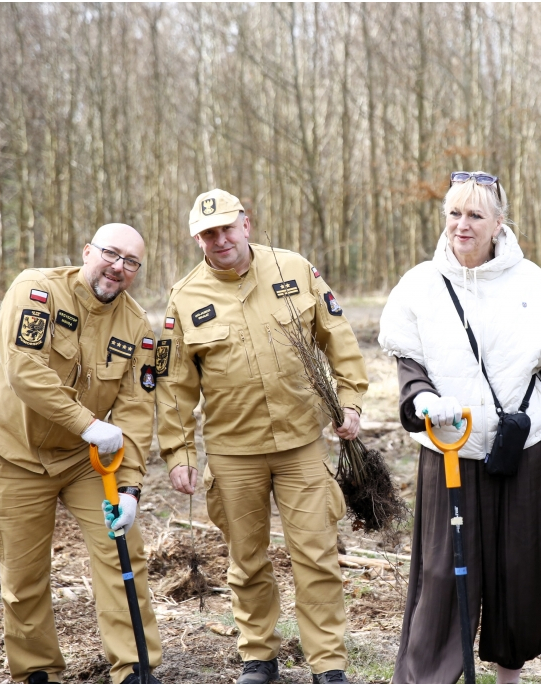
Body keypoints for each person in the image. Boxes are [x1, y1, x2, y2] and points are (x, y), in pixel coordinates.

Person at [378, 171, 541, 684]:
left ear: (499, 223)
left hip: (525, 449)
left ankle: (509, 678)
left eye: (475, 215)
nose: (462, 224)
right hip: (450, 448)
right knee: (442, 576)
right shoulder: (420, 285)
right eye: (454, 213)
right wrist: (426, 402)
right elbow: (409, 372)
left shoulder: (532, 284)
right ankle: (427, 679)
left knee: (522, 570)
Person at [156, 189, 367, 685]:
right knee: (246, 560)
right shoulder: (184, 297)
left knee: (316, 557)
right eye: (209, 233)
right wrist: (180, 453)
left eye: (227, 228)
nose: (220, 239)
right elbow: (175, 387)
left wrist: (351, 401)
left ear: (246, 224)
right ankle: (259, 657)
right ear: (197, 240)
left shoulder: (294, 269)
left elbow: (339, 338)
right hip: (233, 453)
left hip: (301, 444)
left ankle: (328, 664)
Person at [0, 224, 162, 684]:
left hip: (83, 460)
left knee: (121, 550)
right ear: (87, 251)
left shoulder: (137, 326)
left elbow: (137, 410)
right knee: (23, 573)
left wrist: (131, 488)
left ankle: (134, 667)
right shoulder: (37, 291)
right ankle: (37, 670)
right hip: (15, 453)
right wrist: (89, 423)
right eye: (110, 254)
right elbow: (24, 369)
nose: (118, 267)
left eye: (131, 262)